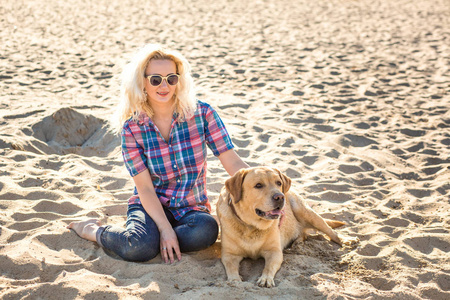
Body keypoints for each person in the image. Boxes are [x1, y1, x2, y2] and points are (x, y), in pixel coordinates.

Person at [67, 44, 249, 264]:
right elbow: (144, 188)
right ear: (143, 82)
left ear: (178, 81)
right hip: (150, 205)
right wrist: (165, 228)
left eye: (171, 78)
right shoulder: (132, 129)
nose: (164, 86)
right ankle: (92, 230)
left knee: (206, 231)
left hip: (190, 208)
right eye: (155, 79)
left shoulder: (203, 114)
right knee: (140, 248)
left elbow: (232, 161)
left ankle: (157, 238)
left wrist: (270, 193)